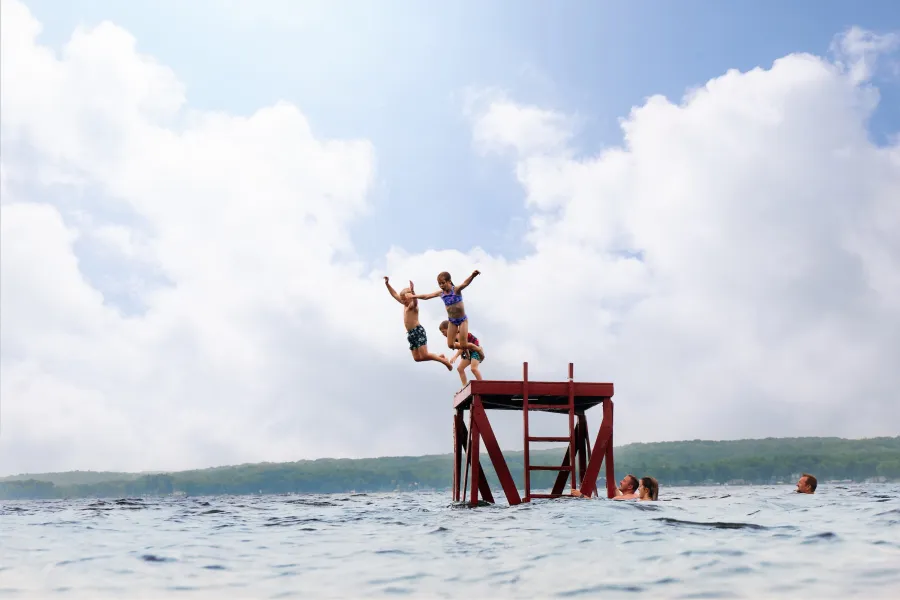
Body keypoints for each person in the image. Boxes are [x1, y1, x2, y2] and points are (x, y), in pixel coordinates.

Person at [411, 270, 484, 358]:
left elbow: (465, 283)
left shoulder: (456, 290)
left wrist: (472, 275)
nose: (441, 285)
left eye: (443, 283)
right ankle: (466, 351)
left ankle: (478, 349)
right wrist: (413, 296)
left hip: (462, 320)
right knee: (450, 345)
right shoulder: (441, 293)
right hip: (452, 321)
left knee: (464, 344)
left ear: (449, 281)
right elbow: (426, 296)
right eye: (439, 284)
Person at [384, 277, 452, 370]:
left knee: (424, 354)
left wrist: (413, 292)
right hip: (411, 334)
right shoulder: (405, 304)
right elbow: (394, 294)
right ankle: (439, 357)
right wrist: (387, 284)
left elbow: (416, 302)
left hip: (417, 331)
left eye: (405, 299)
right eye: (402, 299)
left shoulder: (412, 306)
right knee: (417, 358)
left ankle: (444, 361)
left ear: (410, 298)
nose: (403, 301)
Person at [439, 320, 484, 387]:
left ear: (450, 329)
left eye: (443, 332)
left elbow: (462, 347)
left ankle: (482, 384)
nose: (443, 334)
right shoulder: (452, 338)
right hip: (468, 352)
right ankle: (464, 386)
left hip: (475, 350)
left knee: (473, 368)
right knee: (460, 368)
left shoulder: (458, 334)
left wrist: (455, 356)